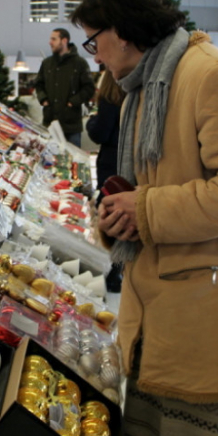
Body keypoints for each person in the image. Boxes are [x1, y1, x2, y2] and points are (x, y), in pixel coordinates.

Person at [71, 0, 218, 436]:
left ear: (122, 31)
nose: (95, 57)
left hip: (208, 317)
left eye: (94, 41)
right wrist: (118, 216)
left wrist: (145, 208)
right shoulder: (144, 86)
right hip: (161, 317)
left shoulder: (212, 77)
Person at [87, 68, 125, 294]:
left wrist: (91, 122)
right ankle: (119, 269)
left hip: (111, 164)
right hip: (129, 164)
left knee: (110, 212)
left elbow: (100, 133)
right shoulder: (134, 96)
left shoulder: (110, 99)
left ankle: (110, 272)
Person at [35, 28, 95, 147]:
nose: (50, 42)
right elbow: (39, 84)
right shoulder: (47, 63)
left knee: (73, 157)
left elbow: (89, 88)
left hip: (71, 126)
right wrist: (44, 100)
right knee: (49, 157)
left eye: (54, 39)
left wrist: (73, 102)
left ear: (64, 41)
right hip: (49, 124)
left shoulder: (80, 63)